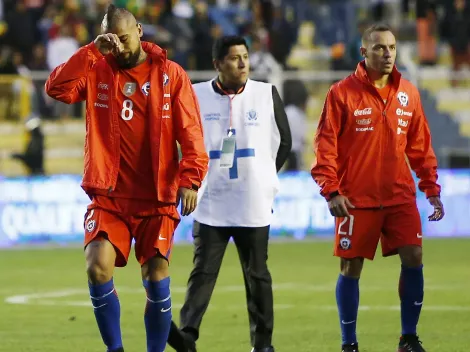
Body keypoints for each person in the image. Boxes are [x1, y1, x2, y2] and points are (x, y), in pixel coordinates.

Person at [45, 5, 208, 352]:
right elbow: (56, 89)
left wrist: (191, 179)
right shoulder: (96, 69)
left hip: (156, 196)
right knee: (97, 267)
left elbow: (191, 132)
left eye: (123, 37)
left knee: (156, 276)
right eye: (111, 39)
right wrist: (91, 51)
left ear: (139, 31)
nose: (118, 46)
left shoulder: (170, 75)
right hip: (109, 196)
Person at [311, 24, 444, 352]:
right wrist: (331, 190)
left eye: (392, 48)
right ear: (364, 52)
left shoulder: (408, 93)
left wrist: (431, 189)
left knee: (414, 256)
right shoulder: (341, 93)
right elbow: (325, 146)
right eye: (380, 48)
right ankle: (349, 343)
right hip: (356, 199)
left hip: (399, 196)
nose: (388, 54)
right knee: (351, 266)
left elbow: (420, 146)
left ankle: (408, 338)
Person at [167, 35, 292, 352]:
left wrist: (263, 176)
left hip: (253, 201)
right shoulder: (195, 96)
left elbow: (285, 142)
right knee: (203, 272)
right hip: (210, 201)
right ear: (217, 64)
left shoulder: (266, 94)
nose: (242, 63)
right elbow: (177, 142)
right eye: (235, 58)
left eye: (245, 57)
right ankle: (187, 337)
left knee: (258, 275)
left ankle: (262, 344)